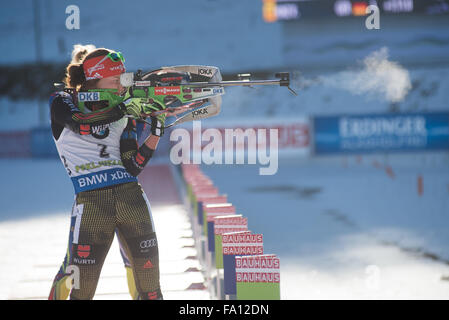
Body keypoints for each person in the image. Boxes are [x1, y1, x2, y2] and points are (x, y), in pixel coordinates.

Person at [48, 44, 165, 300]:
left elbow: (133, 165)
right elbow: (82, 125)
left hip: (131, 199)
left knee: (152, 291)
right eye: (116, 80)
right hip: (91, 205)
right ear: (95, 79)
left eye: (124, 80)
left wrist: (156, 131)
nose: (122, 87)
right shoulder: (63, 102)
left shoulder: (124, 109)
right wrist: (123, 109)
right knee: (80, 291)